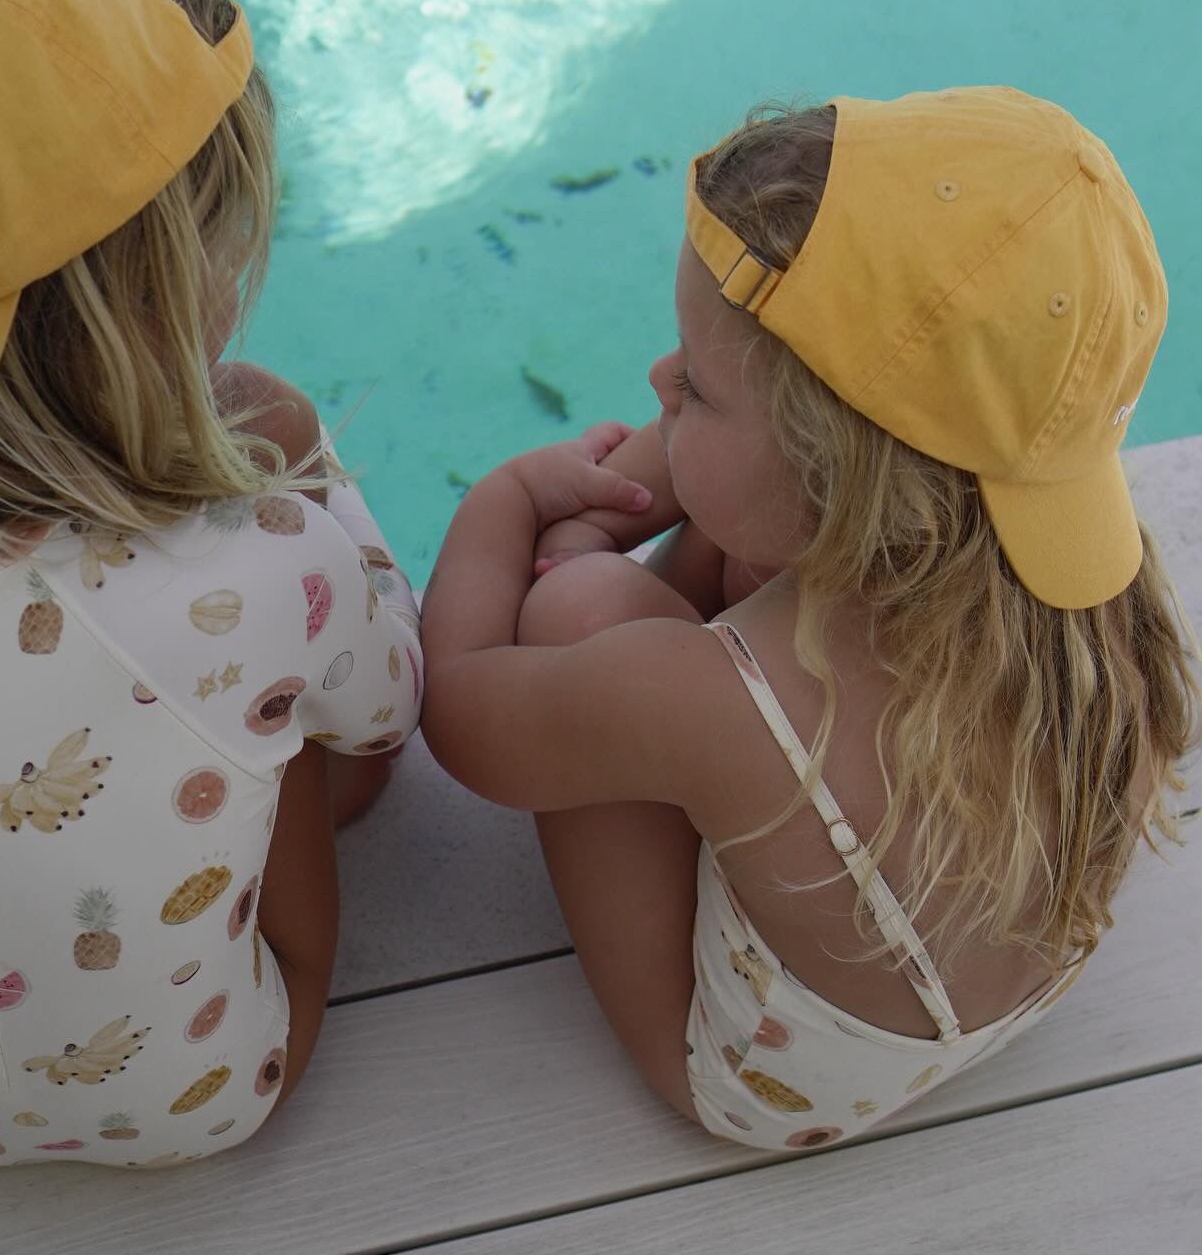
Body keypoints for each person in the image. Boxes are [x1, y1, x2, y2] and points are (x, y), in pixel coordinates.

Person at [422, 88, 1200, 1151]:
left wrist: (508, 502)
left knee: (577, 603)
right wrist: (699, 440)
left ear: (831, 471)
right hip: (1008, 984)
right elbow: (762, 482)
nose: (657, 380)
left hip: (779, 1082)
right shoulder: (1048, 562)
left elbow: (464, 720)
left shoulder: (724, 700)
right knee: (717, 542)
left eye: (691, 383)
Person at [0, 0, 421, 1168]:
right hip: (211, 1096)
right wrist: (309, 464)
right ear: (162, 291)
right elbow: (388, 714)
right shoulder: (261, 555)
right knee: (308, 733)